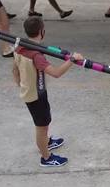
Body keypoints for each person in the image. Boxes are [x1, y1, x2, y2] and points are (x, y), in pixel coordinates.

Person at [12, 16, 83, 167]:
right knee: (42, 126)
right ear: (42, 31)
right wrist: (72, 60)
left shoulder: (19, 47)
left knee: (44, 122)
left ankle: (46, 142)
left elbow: (14, 69)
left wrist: (22, 84)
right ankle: (46, 157)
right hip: (36, 95)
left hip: (32, 91)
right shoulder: (36, 56)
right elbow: (56, 73)